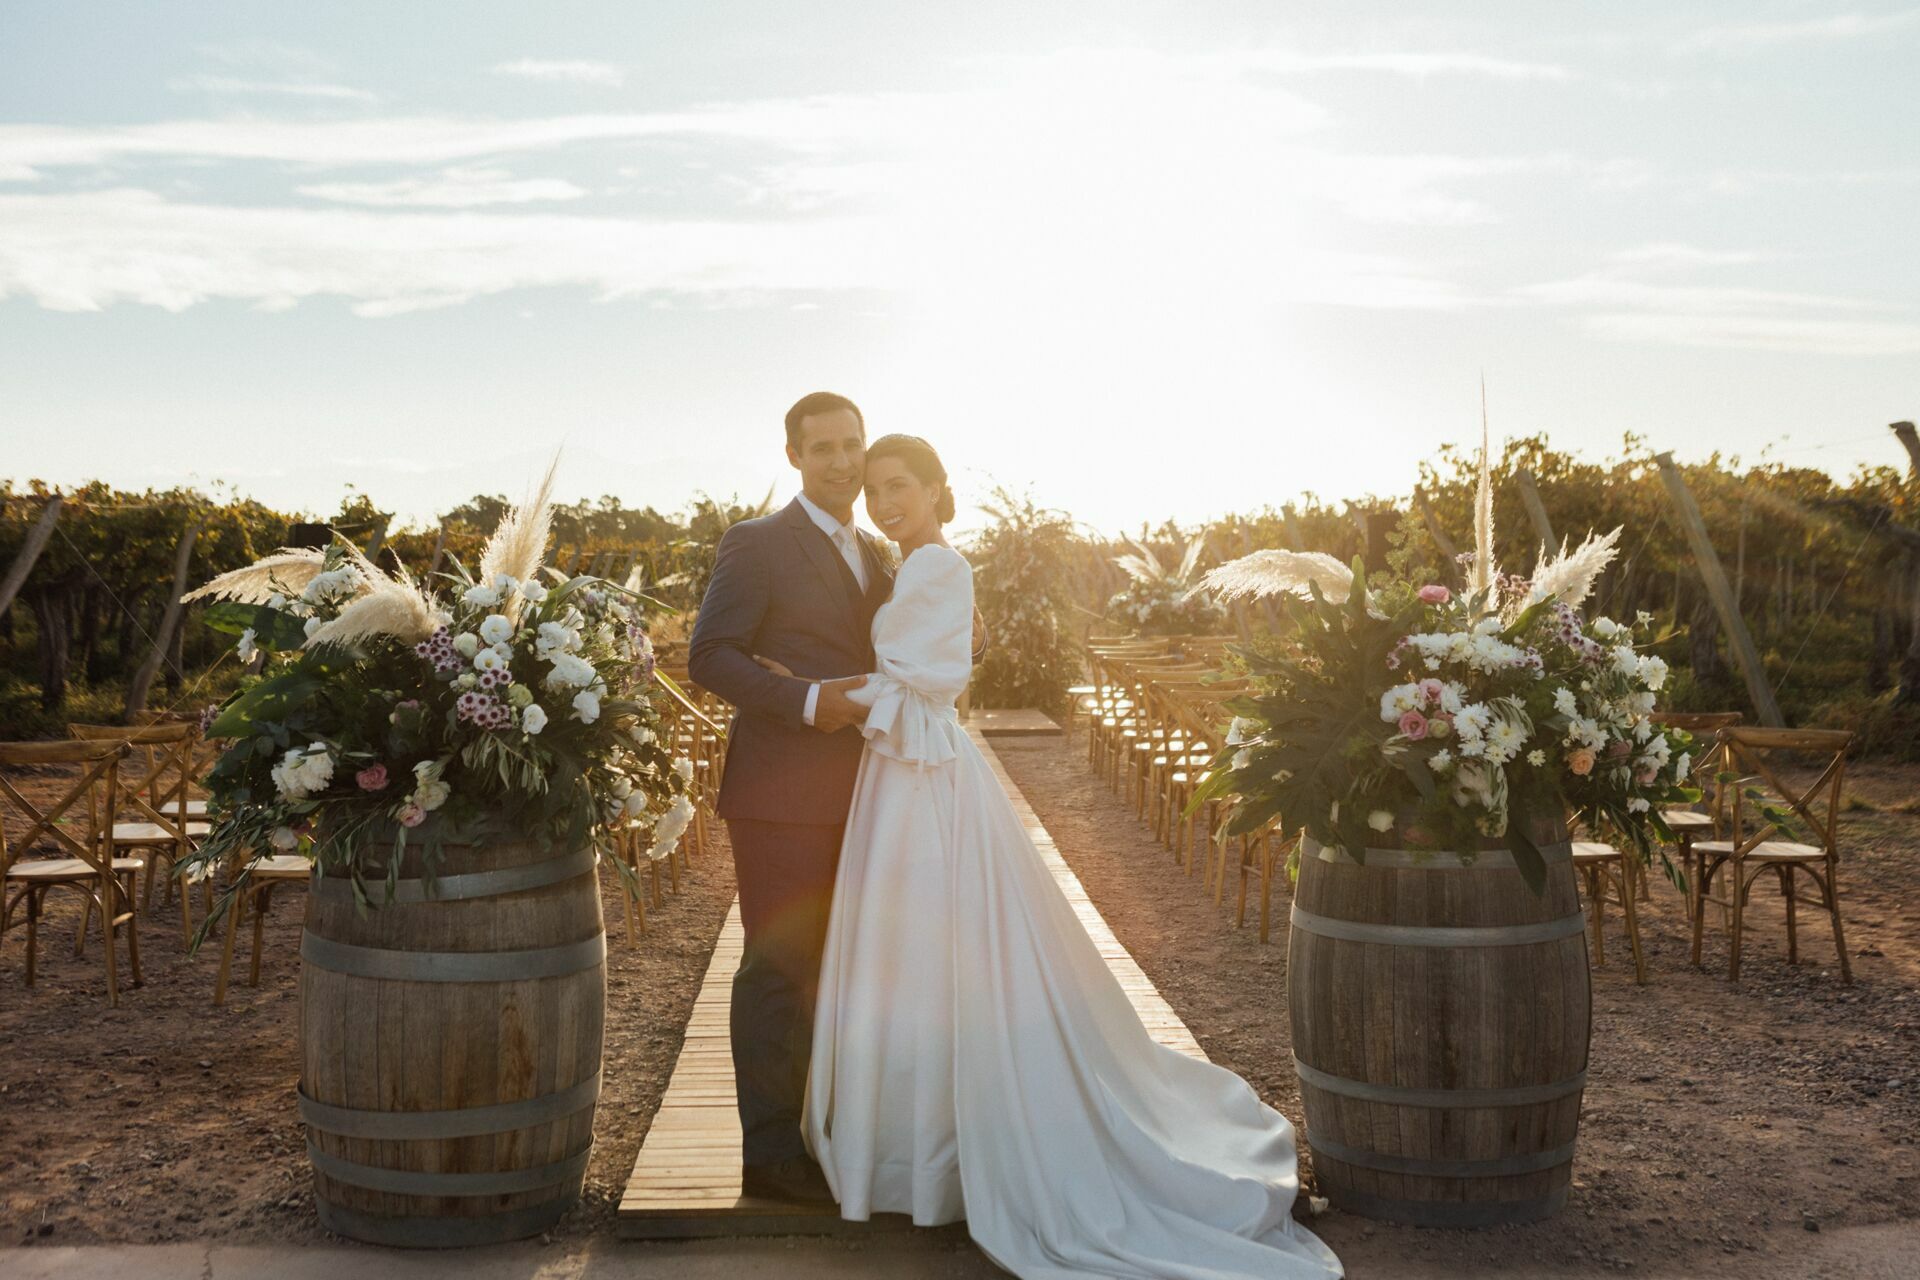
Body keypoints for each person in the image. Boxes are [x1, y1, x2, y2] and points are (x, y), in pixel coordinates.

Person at [795, 434, 1345, 1279]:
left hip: (920, 772)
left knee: (929, 947)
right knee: (918, 953)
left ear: (940, 489)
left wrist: (810, 695)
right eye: (873, 490)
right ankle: (921, 1148)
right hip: (910, 768)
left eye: (899, 484)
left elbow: (912, 688)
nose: (883, 501)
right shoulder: (917, 567)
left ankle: (927, 1155)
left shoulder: (936, 567)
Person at [687, 391, 893, 1205]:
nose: (842, 461)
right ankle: (769, 1157)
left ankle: (827, 1131)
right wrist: (811, 700)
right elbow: (711, 655)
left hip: (869, 790)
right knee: (778, 965)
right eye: (823, 448)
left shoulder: (876, 551)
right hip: (779, 792)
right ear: (794, 457)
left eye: (853, 445)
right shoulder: (759, 542)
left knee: (842, 966)